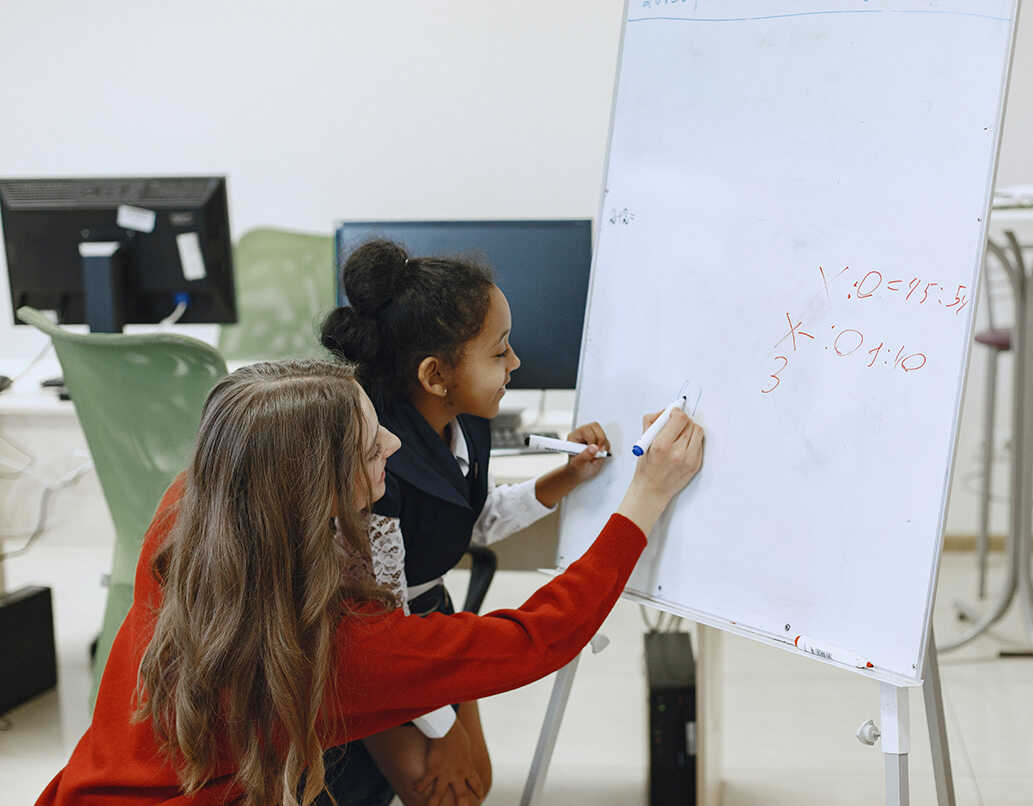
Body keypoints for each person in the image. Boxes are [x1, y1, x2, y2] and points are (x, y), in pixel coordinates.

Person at [35, 359, 704, 806]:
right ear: (309, 487)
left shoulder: (192, 512)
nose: (392, 444)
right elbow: (536, 638)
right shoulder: (332, 649)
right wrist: (643, 498)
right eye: (367, 446)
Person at [320, 240, 612, 803]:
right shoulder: (375, 465)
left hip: (424, 620)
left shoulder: (467, 420)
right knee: (443, 791)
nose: (516, 363)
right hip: (361, 646)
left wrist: (568, 476)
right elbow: (381, 624)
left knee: (471, 784)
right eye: (500, 352)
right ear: (436, 375)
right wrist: (444, 725)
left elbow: (475, 521)